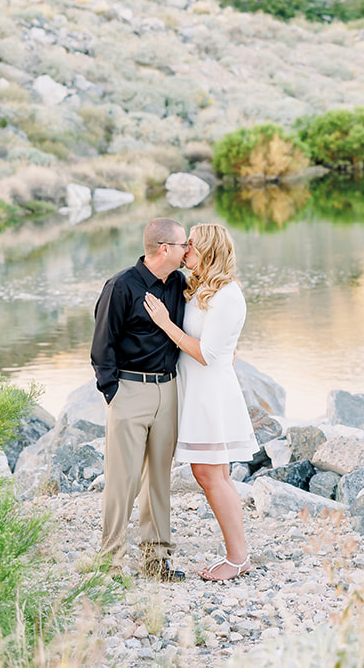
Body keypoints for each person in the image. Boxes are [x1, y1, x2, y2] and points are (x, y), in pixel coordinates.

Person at [142, 222, 257, 581]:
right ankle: (238, 554)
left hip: (210, 394)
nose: (185, 248)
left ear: (207, 249)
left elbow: (207, 354)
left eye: (191, 243)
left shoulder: (226, 294)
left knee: (209, 474)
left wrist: (165, 323)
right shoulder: (203, 289)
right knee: (214, 474)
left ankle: (237, 558)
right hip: (197, 390)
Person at [90, 217, 190, 581]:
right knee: (123, 481)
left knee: (158, 479)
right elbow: (102, 346)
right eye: (183, 245)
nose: (187, 250)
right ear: (165, 249)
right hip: (129, 390)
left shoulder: (179, 283)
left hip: (168, 390)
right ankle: (110, 563)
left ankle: (155, 561)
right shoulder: (120, 286)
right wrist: (114, 394)